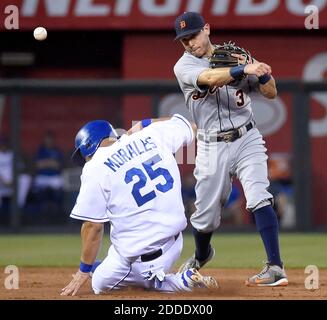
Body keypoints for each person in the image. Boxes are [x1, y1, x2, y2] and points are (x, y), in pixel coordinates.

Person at [173, 12, 288, 287]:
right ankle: (202, 255)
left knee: (259, 194)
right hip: (211, 145)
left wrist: (261, 72)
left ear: (207, 30)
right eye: (183, 39)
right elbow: (210, 77)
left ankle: (275, 267)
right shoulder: (182, 66)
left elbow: (271, 92)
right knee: (204, 217)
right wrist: (243, 70)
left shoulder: (235, 57)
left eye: (193, 36)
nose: (189, 43)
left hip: (247, 137)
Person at [61, 115, 218, 296]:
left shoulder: (95, 167)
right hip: (175, 243)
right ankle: (141, 273)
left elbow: (93, 226)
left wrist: (83, 269)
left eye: (84, 156)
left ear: (88, 147)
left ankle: (179, 281)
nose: (85, 161)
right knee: (112, 259)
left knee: (99, 283)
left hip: (139, 260)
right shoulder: (151, 134)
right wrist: (145, 124)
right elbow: (189, 126)